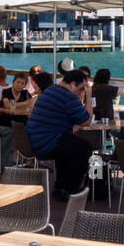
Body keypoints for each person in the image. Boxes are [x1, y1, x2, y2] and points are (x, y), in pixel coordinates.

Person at [25, 69, 93, 198]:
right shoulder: (67, 96)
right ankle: (69, 190)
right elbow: (87, 120)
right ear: (72, 84)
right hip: (46, 142)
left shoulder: (51, 90)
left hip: (36, 139)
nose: (81, 92)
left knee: (68, 145)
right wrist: (89, 96)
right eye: (81, 89)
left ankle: (61, 187)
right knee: (85, 149)